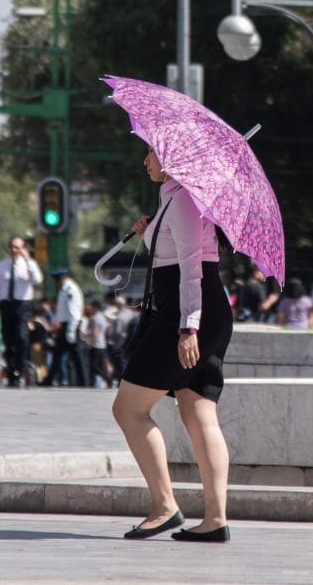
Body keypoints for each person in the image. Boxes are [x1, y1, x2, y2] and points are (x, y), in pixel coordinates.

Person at [112, 147, 234, 543]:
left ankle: (164, 506)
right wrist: (149, 230)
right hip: (205, 310)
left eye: (150, 152)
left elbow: (190, 266)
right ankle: (215, 519)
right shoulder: (176, 198)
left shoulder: (182, 199)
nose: (145, 160)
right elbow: (172, 254)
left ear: (172, 159)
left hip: (187, 313)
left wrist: (188, 327)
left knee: (128, 409)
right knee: (199, 414)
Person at [0, 236, 44, 387]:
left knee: (22, 337)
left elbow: (38, 280)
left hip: (23, 304)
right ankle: (12, 373)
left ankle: (21, 369)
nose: (13, 250)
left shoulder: (29, 265)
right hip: (6, 305)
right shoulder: (2, 266)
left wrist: (29, 260)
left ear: (23, 248)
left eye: (17, 247)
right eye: (11, 247)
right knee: (9, 340)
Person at [43, 268, 85, 387]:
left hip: (71, 325)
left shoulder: (70, 289)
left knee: (77, 357)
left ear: (61, 278)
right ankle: (49, 380)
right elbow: (61, 311)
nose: (56, 282)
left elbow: (74, 312)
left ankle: (84, 381)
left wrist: (71, 330)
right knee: (58, 355)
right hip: (65, 326)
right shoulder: (63, 290)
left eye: (57, 279)